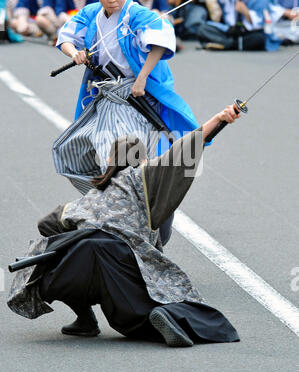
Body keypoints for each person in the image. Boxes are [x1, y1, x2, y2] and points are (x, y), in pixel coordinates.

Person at [8, 106, 240, 347]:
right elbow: (181, 152)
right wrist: (218, 119)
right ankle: (160, 319)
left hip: (82, 263)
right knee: (142, 311)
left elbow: (46, 223)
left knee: (58, 255)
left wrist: (77, 236)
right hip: (126, 262)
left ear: (109, 160)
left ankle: (85, 319)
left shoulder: (90, 198)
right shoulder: (142, 178)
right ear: (142, 160)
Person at [52, 0, 200, 197]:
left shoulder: (138, 15)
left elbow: (160, 42)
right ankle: (107, 196)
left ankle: (137, 195)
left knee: (130, 149)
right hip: (105, 94)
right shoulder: (91, 14)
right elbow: (66, 36)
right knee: (77, 146)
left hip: (136, 94)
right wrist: (75, 54)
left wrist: (141, 78)